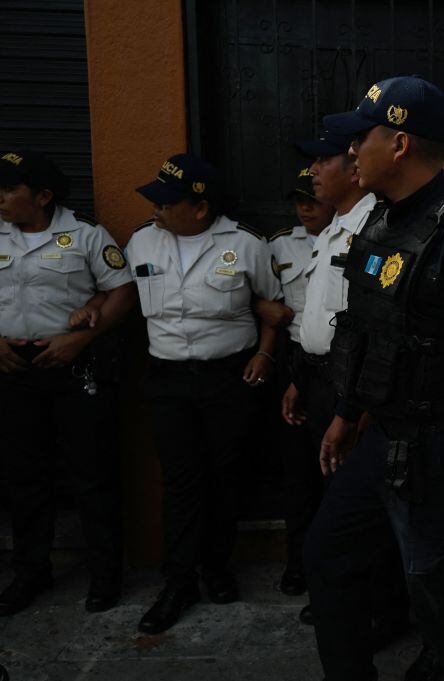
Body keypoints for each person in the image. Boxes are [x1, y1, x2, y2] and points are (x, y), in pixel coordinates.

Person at [321, 75, 444, 681]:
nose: (351, 151)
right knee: (327, 557)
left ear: (400, 143)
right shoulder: (381, 219)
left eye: (361, 137)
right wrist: (347, 412)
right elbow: (370, 331)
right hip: (380, 436)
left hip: (441, 454)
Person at [127, 153, 284, 634]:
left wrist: (265, 354)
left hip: (227, 378)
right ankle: (178, 581)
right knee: (180, 481)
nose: (156, 209)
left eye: (166, 202)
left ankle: (216, 567)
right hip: (168, 377)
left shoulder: (246, 244)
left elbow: (273, 306)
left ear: (199, 207)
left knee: (224, 476)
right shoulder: (141, 241)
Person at [291, 119, 411, 678]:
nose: (313, 171)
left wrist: (357, 405)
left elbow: (375, 329)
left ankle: (381, 613)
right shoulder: (333, 227)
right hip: (323, 382)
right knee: (333, 504)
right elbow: (318, 316)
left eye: (324, 160)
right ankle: (352, 606)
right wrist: (299, 375)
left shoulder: (376, 226)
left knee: (367, 515)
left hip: (356, 393)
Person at [0, 150, 136, 616]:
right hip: (13, 369)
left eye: (9, 190)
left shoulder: (85, 234)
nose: (0, 198)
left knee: (92, 475)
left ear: (42, 196)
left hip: (74, 364)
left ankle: (105, 575)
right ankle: (30, 572)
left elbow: (122, 290)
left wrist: (84, 339)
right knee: (24, 478)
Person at [267, 163, 335, 598]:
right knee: (297, 475)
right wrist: (264, 310)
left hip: (333, 365)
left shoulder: (357, 237)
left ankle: (330, 571)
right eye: (298, 201)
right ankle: (298, 565)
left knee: (332, 472)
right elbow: (259, 295)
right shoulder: (278, 245)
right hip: (293, 361)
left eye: (312, 200)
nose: (304, 209)